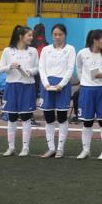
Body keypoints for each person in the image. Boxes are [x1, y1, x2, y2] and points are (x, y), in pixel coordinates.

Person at [75, 29, 102, 160]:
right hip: (87, 90)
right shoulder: (82, 53)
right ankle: (86, 150)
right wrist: (84, 81)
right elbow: (79, 69)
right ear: (95, 40)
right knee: (87, 122)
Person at [0, 26, 39, 157]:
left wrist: (30, 71)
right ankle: (11, 147)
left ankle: (25, 148)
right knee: (12, 117)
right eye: (29, 35)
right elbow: (1, 68)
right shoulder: (8, 51)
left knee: (26, 117)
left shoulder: (33, 51)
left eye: (32, 35)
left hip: (27, 86)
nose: (31, 38)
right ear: (21, 36)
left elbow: (37, 68)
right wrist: (10, 66)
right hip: (12, 86)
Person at [38, 23, 75, 158]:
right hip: (47, 85)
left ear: (65, 35)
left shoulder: (70, 49)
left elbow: (70, 69)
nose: (57, 37)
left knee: (62, 117)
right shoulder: (46, 49)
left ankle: (60, 148)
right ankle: (51, 148)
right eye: (55, 34)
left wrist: (61, 84)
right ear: (51, 35)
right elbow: (41, 68)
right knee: (48, 117)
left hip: (62, 86)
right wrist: (46, 84)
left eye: (60, 34)